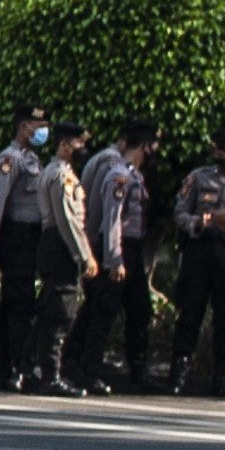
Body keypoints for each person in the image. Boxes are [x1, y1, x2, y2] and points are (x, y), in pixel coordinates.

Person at [166, 127, 225, 394]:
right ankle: (178, 375)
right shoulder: (198, 177)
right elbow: (180, 213)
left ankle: (223, 377)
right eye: (219, 152)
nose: (223, 157)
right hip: (200, 250)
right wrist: (197, 223)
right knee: (190, 312)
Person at [70, 119, 157, 391]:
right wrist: (114, 259)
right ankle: (88, 368)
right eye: (154, 145)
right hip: (117, 250)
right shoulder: (118, 175)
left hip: (131, 250)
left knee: (140, 309)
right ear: (145, 146)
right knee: (103, 311)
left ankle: (138, 371)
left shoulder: (133, 173)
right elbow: (112, 221)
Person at [14, 124, 93, 395]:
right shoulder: (61, 176)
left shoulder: (55, 172)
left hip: (52, 244)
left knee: (49, 309)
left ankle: (28, 369)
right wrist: (84, 256)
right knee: (59, 312)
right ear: (64, 146)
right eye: (78, 144)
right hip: (59, 244)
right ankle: (50, 376)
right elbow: (67, 221)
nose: (83, 150)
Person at [0, 107, 52, 385]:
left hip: (31, 238)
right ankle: (15, 365)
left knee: (16, 303)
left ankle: (6, 365)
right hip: (15, 239)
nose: (43, 131)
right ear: (24, 127)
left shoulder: (32, 159)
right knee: (19, 303)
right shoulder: (8, 161)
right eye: (39, 125)